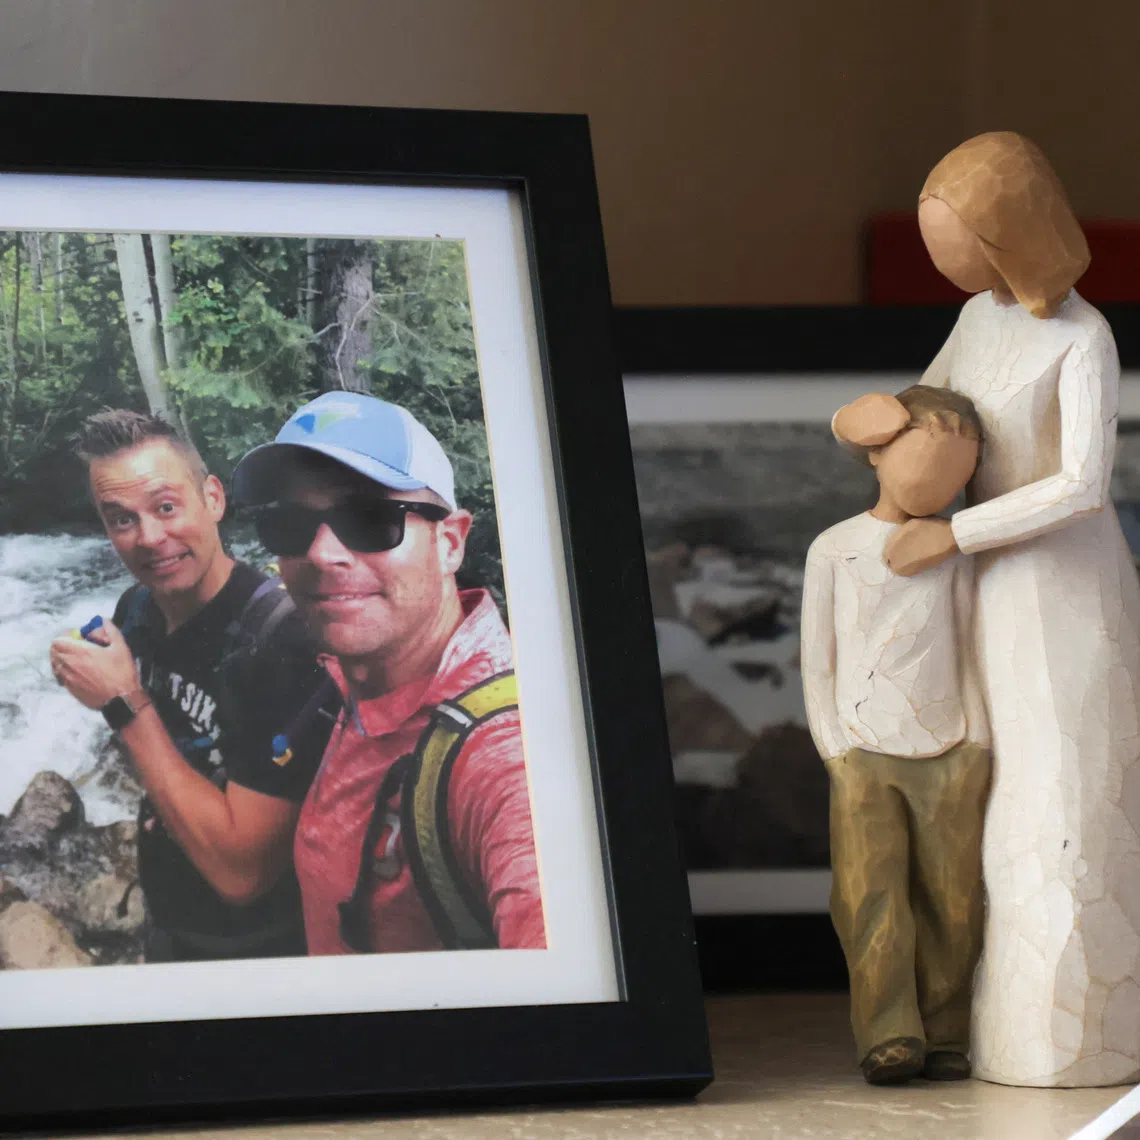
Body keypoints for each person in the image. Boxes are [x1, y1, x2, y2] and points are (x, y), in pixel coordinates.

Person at [832, 132, 1140, 1088]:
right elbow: (936, 407)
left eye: (957, 241)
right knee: (991, 800)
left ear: (1009, 233)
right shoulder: (977, 319)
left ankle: (1077, 1042)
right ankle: (985, 1022)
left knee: (1063, 796)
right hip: (983, 586)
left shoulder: (1082, 339)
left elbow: (1085, 483)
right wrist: (878, 427)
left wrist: (955, 536)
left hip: (1060, 589)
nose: (945, 263)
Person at [230, 392, 546, 953]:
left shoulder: (507, 748)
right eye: (290, 525)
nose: (324, 553)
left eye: (370, 520)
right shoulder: (343, 674)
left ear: (449, 543)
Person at [50, 409, 335, 962]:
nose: (150, 538)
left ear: (213, 498)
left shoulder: (281, 641)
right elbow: (169, 749)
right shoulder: (135, 611)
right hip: (171, 922)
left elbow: (243, 874)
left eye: (165, 506)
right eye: (121, 519)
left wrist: (122, 701)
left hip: (265, 952)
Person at [802, 385, 991, 1085]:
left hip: (950, 747)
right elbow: (817, 660)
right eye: (923, 460)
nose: (938, 484)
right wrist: (835, 749)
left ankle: (945, 1033)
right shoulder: (836, 549)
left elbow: (969, 643)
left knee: (955, 902)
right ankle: (888, 1034)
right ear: (878, 452)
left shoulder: (955, 550)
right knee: (869, 898)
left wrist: (979, 741)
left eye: (957, 473)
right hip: (862, 751)